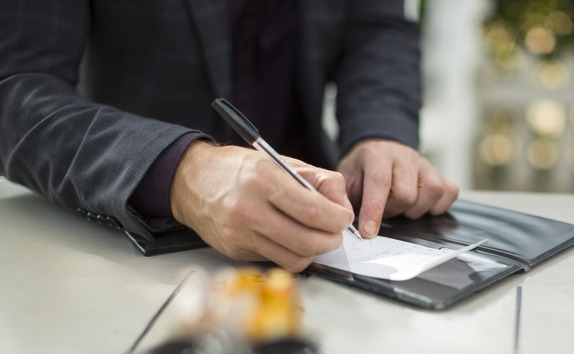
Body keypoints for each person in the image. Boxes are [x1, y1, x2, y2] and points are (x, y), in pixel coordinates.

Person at [0, 0, 458, 271]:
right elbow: (15, 87)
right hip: (134, 254)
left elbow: (375, 26)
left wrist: (378, 132)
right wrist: (179, 172)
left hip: (322, 237)